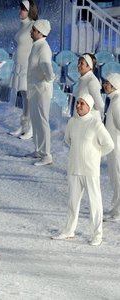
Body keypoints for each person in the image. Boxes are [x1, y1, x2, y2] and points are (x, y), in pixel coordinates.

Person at [51, 94, 113, 246]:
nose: (78, 106)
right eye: (77, 103)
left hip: (90, 170)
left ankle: (97, 234)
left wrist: (96, 155)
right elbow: (68, 140)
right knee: (72, 202)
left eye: (82, 103)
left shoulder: (96, 124)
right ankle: (68, 230)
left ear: (89, 106)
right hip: (74, 168)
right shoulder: (72, 122)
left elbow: (109, 145)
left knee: (95, 203)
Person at [25, 19, 54, 166]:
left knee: (42, 120)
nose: (31, 32)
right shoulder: (36, 46)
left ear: (41, 33)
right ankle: (38, 149)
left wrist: (48, 76)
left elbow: (47, 68)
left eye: (34, 30)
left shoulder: (43, 48)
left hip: (42, 90)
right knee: (35, 119)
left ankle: (47, 154)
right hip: (35, 89)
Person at [9, 0, 38, 140]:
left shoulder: (33, 26)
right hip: (20, 65)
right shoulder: (23, 25)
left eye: (23, 9)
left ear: (29, 11)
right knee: (24, 97)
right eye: (20, 8)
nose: (20, 11)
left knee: (29, 97)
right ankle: (24, 125)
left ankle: (32, 128)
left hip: (27, 66)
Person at [104, 73, 120, 222]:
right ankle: (115, 208)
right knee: (115, 179)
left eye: (108, 83)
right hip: (113, 148)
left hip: (117, 149)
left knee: (118, 179)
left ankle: (118, 212)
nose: (105, 85)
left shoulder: (117, 103)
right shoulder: (114, 101)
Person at [74, 53, 104, 120]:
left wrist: (89, 111)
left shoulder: (91, 81)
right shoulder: (83, 79)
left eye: (81, 63)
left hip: (89, 123)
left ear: (89, 66)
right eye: (78, 63)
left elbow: (100, 105)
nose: (78, 65)